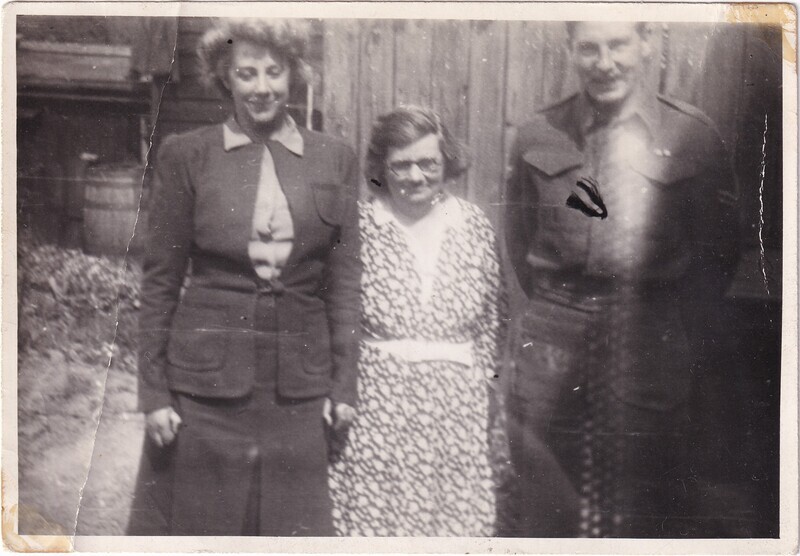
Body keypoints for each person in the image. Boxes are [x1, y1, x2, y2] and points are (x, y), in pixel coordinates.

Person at [505, 21, 740, 537]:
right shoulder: (538, 132)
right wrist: (559, 305)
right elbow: (518, 238)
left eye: (618, 45)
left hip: (647, 325)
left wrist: (668, 320)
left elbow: (719, 251)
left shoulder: (691, 134)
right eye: (589, 48)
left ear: (647, 44)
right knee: (547, 481)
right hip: (555, 323)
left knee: (645, 481)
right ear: (571, 50)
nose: (604, 62)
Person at [127, 18, 360, 536]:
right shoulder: (187, 155)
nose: (261, 87)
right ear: (224, 77)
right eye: (246, 73)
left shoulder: (334, 158)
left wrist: (344, 385)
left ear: (294, 75)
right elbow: (160, 281)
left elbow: (344, 283)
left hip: (299, 382)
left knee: (288, 529)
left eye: (273, 72)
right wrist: (155, 394)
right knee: (203, 526)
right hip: (207, 384)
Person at [328, 106, 506, 536]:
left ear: (446, 162)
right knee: (375, 525)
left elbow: (491, 319)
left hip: (455, 409)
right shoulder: (360, 225)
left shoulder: (473, 225)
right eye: (400, 165)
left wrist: (481, 389)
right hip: (377, 409)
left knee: (452, 526)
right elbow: (336, 312)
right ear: (381, 168)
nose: (415, 176)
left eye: (427, 162)